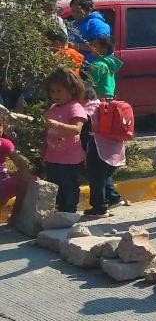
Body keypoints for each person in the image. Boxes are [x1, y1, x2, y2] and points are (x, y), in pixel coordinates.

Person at [42, 68, 88, 213]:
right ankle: (59, 212)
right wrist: (43, 149)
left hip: (70, 160)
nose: (55, 95)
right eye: (52, 91)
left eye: (59, 91)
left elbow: (76, 129)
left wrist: (58, 125)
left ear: (72, 90)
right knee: (55, 188)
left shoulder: (75, 108)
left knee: (69, 187)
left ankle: (69, 213)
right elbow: (47, 131)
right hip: (53, 158)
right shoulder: (53, 108)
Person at [82, 87, 127, 217]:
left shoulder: (87, 111)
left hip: (99, 149)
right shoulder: (104, 106)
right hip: (116, 148)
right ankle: (114, 198)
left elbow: (83, 131)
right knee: (105, 176)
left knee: (96, 179)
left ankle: (99, 208)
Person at [0, 115, 34, 221]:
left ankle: (16, 215)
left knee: (25, 177)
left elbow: (20, 163)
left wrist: (25, 175)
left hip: (2, 182)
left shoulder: (4, 144)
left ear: (3, 128)